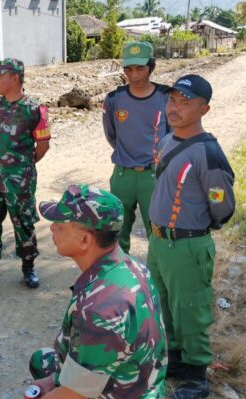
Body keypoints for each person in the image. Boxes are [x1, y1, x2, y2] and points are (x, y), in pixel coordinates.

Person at [28, 184, 167, 399]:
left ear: (85, 240)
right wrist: (52, 382)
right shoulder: (134, 268)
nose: (52, 228)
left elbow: (74, 396)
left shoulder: (99, 309)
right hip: (143, 385)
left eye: (61, 225)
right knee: (43, 360)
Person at [148, 74, 235, 399]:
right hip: (159, 243)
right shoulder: (168, 140)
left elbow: (221, 204)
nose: (175, 108)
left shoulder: (207, 153)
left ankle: (197, 377)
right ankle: (177, 362)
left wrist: (194, 227)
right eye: (173, 100)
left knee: (190, 308)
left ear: (204, 109)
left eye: (186, 103)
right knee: (164, 306)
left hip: (186, 245)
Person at [0, 58, 51, 291]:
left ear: (15, 78)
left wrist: (23, 164)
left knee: (24, 223)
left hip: (20, 180)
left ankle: (28, 267)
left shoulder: (35, 110)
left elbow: (43, 145)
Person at [103, 42, 170, 254]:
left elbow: (175, 133)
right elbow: (111, 134)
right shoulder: (115, 99)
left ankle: (158, 281)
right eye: (128, 69)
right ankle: (122, 279)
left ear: (151, 67)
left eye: (140, 68)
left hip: (155, 176)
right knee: (117, 231)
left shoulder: (166, 97)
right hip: (122, 175)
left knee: (159, 233)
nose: (134, 74)